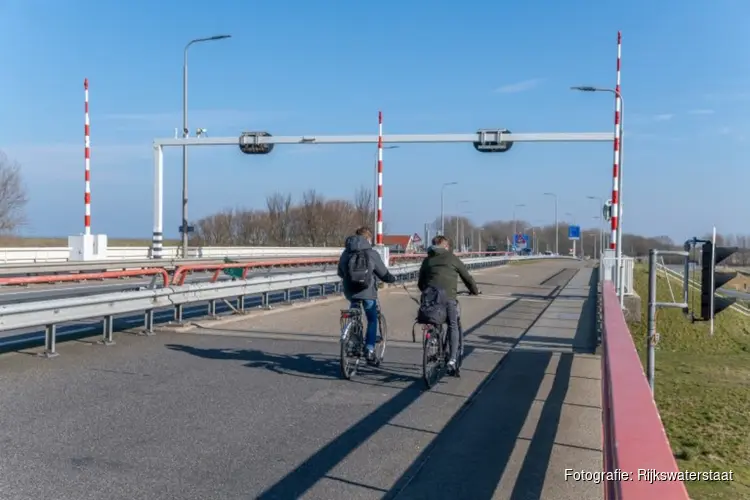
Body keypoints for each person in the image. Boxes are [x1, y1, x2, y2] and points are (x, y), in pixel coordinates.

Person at [417, 235, 480, 373]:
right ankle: (452, 359)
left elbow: (420, 283)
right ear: (446, 246)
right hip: (448, 298)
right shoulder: (452, 258)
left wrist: (428, 292)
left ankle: (433, 341)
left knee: (434, 320)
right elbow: (467, 277)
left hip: (430, 299)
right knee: (453, 325)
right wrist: (474, 291)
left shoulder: (427, 260)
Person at [337, 226, 397, 364]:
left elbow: (340, 272)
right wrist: (391, 279)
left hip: (350, 290)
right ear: (368, 239)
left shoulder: (347, 252)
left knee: (354, 312)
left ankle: (352, 342)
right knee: (372, 318)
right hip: (367, 291)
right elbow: (383, 273)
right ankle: (369, 348)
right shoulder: (371, 253)